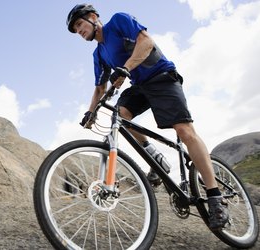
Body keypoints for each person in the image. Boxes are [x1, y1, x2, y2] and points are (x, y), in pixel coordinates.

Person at [66, 3, 229, 230]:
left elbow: (146, 42)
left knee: (184, 130)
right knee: (119, 116)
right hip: (140, 86)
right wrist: (90, 113)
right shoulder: (99, 54)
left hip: (161, 76)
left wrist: (125, 68)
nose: (80, 31)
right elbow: (100, 88)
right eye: (76, 29)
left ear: (93, 17)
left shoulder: (118, 21)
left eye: (80, 24)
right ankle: (155, 156)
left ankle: (215, 196)